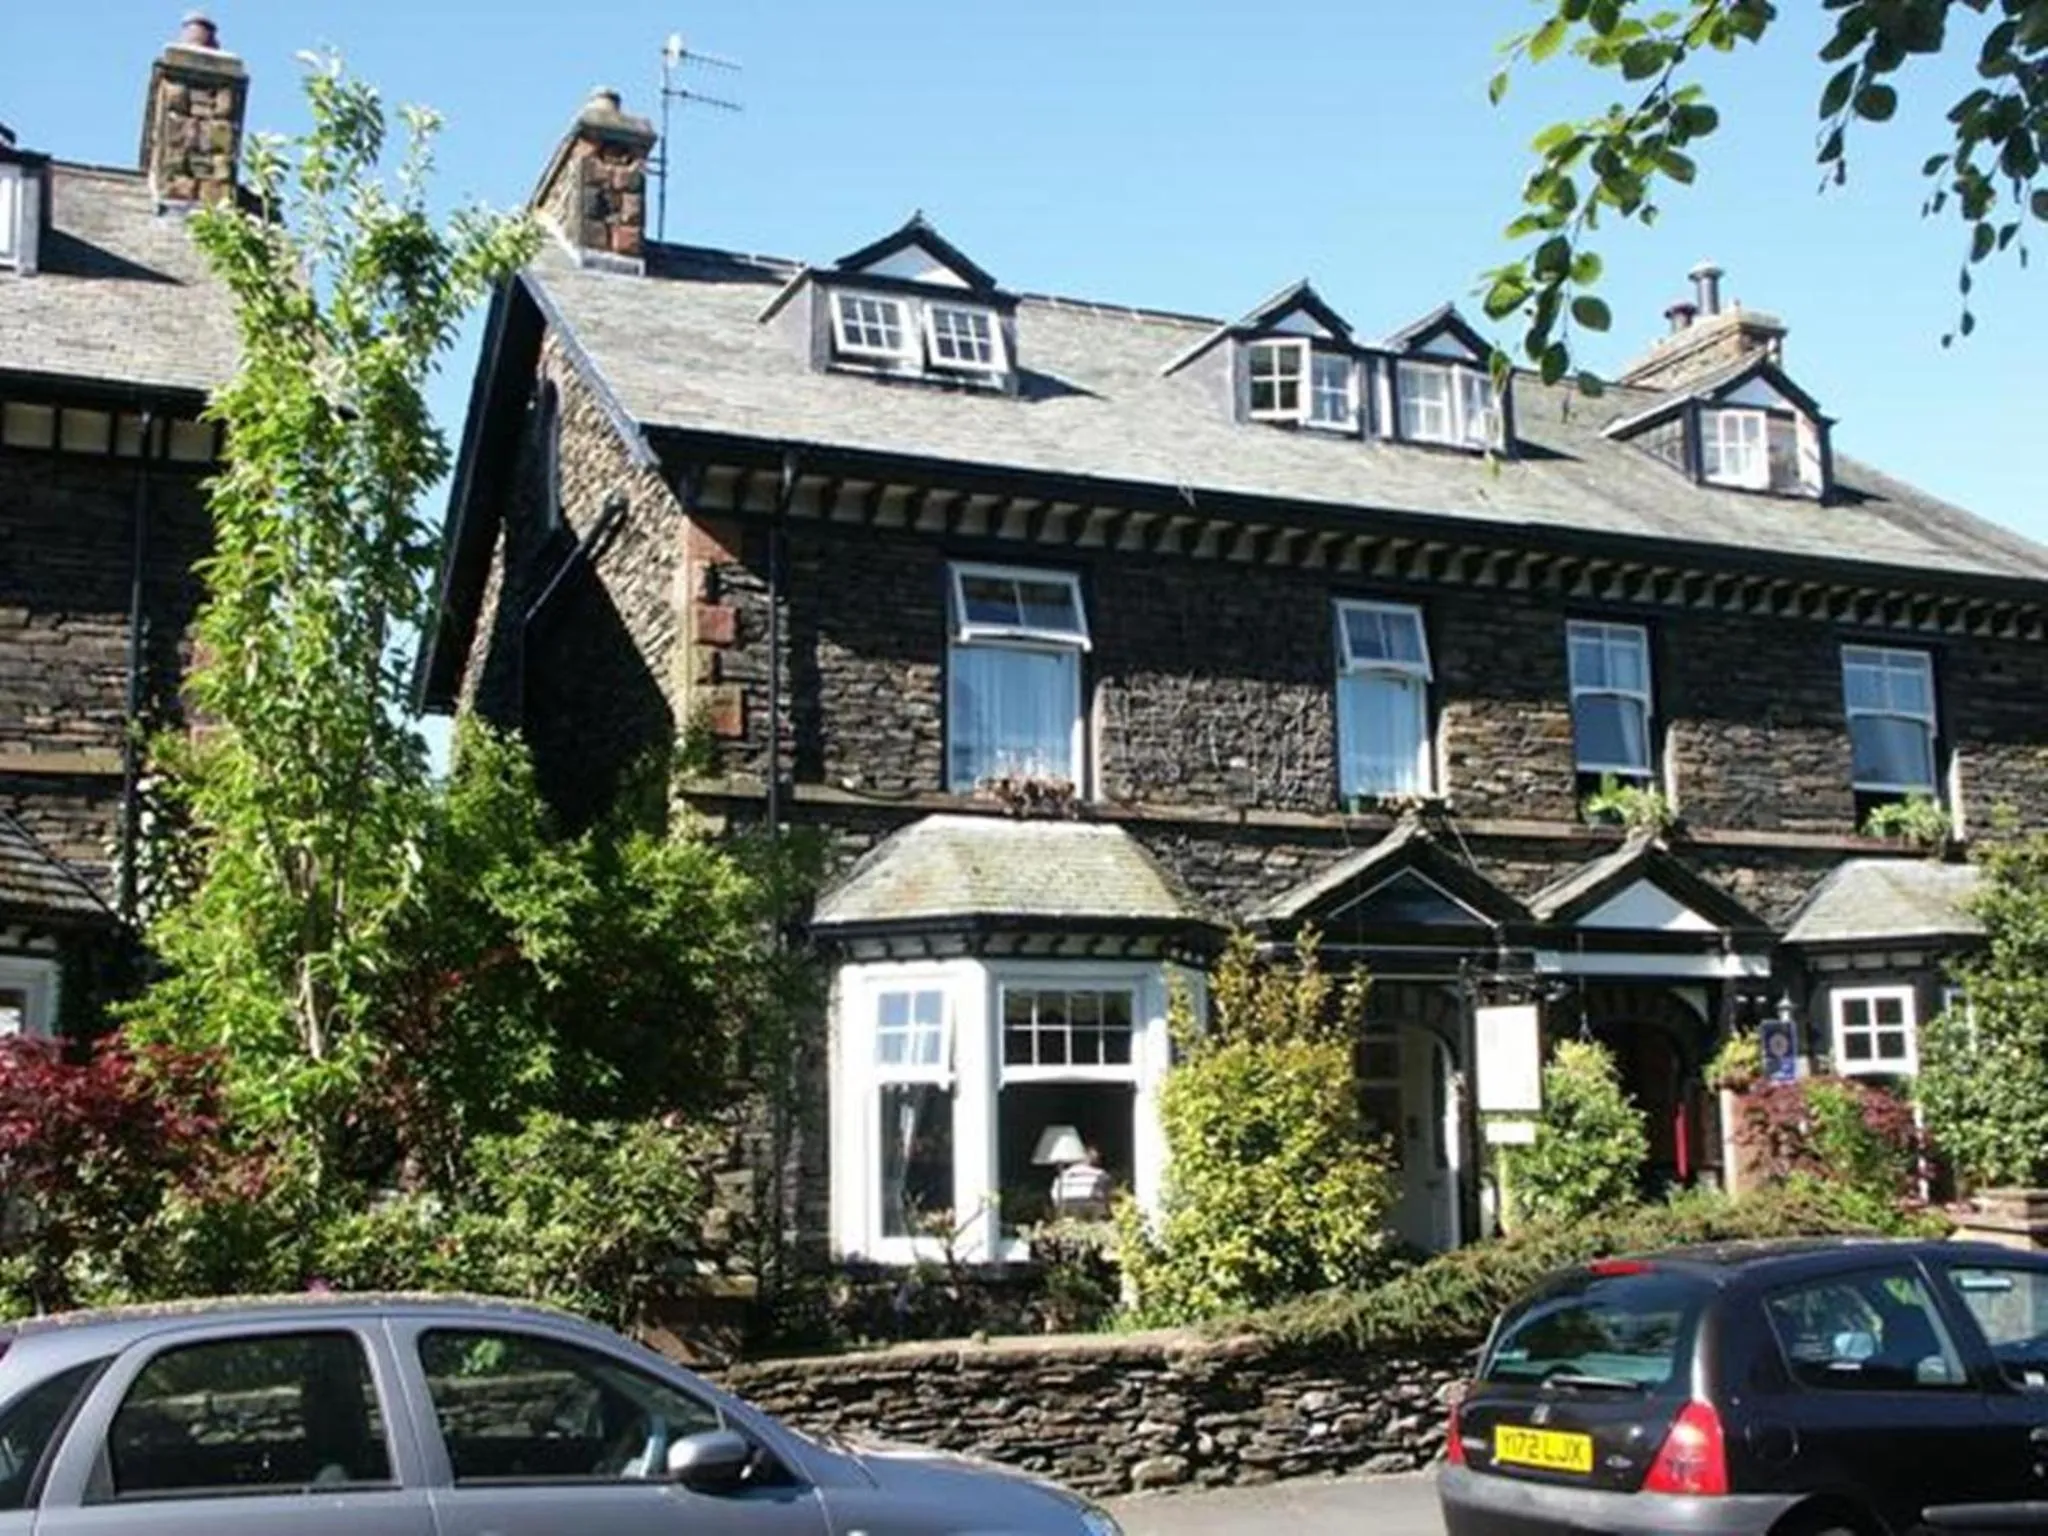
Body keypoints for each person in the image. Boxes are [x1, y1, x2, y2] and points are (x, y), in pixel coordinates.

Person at [1053, 1145, 1113, 1219]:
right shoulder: (1101, 1174)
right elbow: (1106, 1198)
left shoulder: (1063, 1175)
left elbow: (1055, 1196)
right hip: (1091, 1209)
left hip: (1066, 1208)